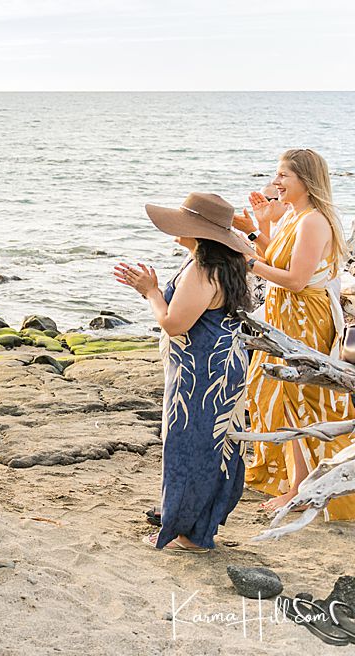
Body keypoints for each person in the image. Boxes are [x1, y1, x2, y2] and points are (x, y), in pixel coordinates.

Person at [114, 192, 253, 552]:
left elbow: (174, 323)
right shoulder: (228, 264)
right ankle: (197, 527)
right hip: (223, 366)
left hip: (202, 372)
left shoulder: (202, 268)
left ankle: (187, 532)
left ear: (198, 232)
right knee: (216, 447)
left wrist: (149, 292)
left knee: (188, 447)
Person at [242, 149, 355, 519]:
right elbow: (278, 262)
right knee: (279, 393)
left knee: (302, 397)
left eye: (282, 177)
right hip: (283, 314)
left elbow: (296, 279)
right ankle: (296, 482)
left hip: (305, 315)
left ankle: (301, 489)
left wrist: (248, 261)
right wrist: (259, 230)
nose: (275, 183)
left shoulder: (314, 222)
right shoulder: (295, 216)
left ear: (305, 181)